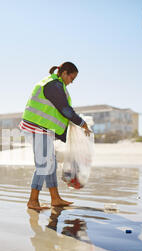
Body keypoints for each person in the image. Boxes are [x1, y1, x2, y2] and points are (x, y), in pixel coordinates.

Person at [19, 62, 92, 210]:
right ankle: (33, 201)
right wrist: (81, 122)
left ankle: (55, 198)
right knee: (44, 164)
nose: (72, 81)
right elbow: (64, 108)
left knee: (50, 163)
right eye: (72, 78)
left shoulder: (56, 84)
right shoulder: (53, 85)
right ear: (64, 73)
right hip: (36, 127)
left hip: (42, 128)